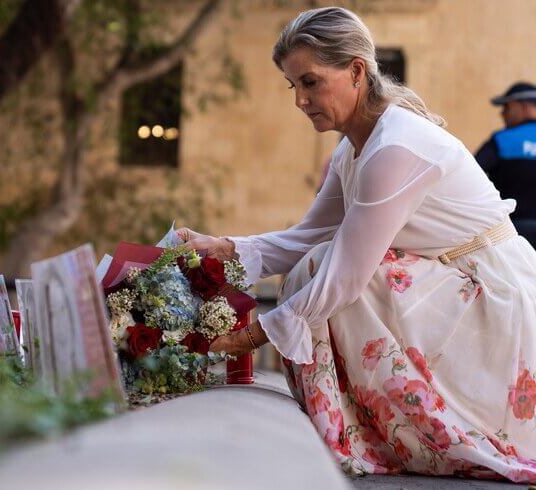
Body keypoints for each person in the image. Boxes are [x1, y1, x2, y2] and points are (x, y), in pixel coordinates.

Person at [177, 7, 536, 484]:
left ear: (356, 71)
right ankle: (374, 427)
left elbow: (345, 273)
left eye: (310, 82)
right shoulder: (355, 145)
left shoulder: (395, 147)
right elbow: (306, 234)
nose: (301, 100)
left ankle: (388, 432)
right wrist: (221, 248)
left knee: (327, 271)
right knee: (315, 263)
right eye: (293, 86)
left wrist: (245, 338)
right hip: (454, 284)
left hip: (495, 299)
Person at [475, 82, 536, 244]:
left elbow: (471, 173)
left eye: (507, 107)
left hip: (513, 233)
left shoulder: (502, 140)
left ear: (524, 106)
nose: (502, 114)